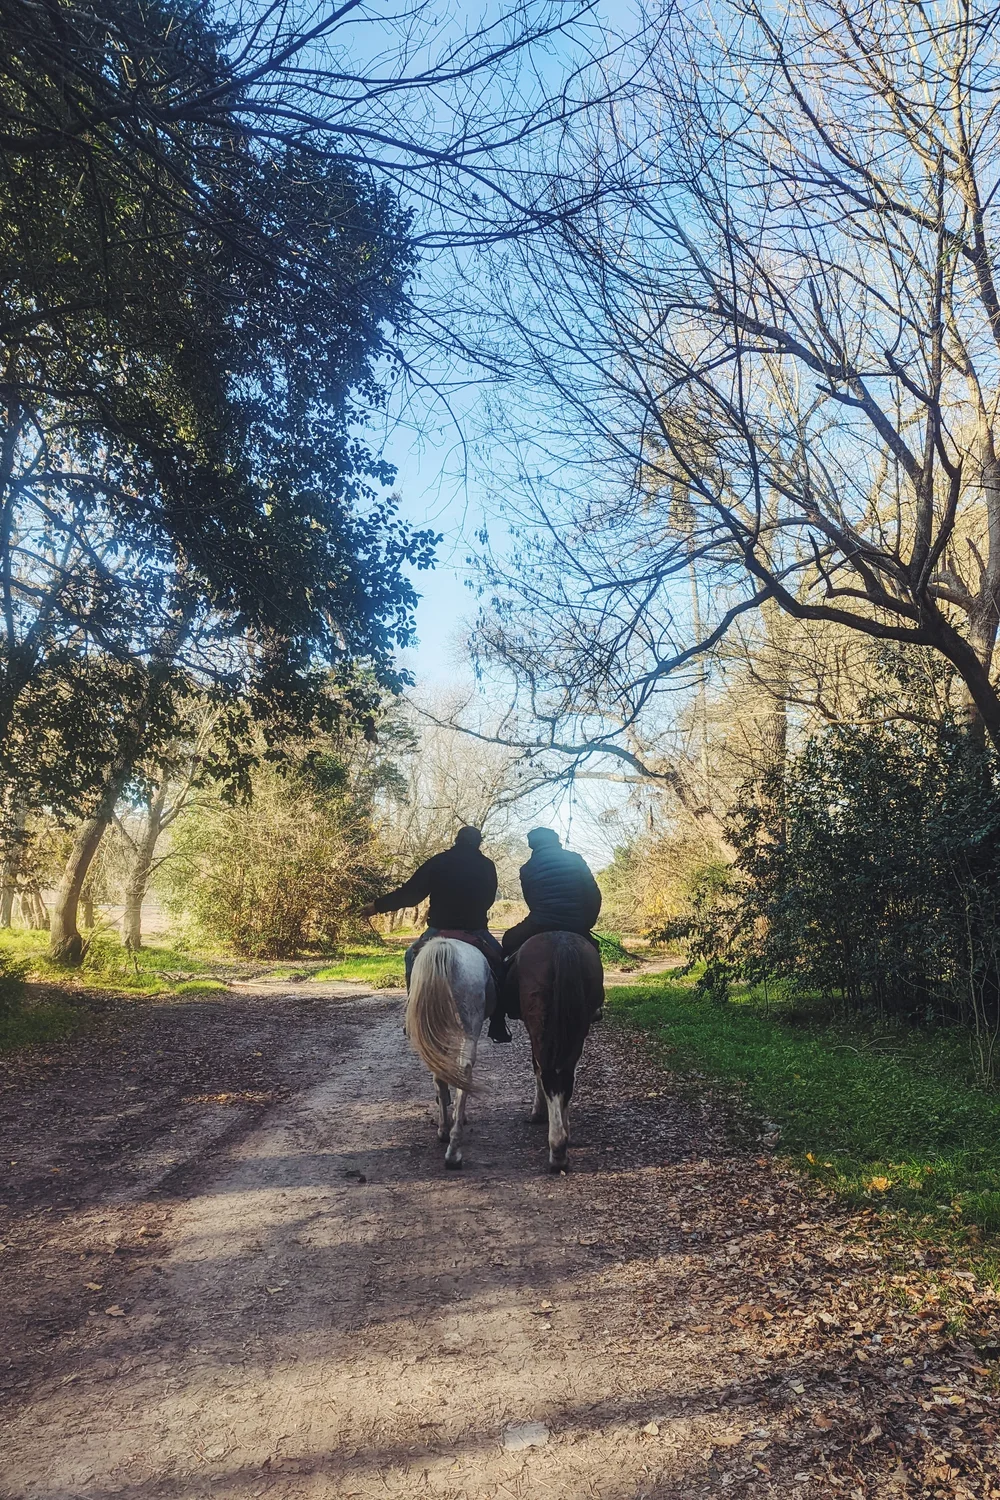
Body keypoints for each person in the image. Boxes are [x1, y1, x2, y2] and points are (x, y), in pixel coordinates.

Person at [489, 827, 602, 1042]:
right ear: (556, 841)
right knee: (592, 950)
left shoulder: (528, 868)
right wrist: (586, 922)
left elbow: (531, 900)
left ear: (533, 845)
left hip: (540, 923)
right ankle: (596, 1003)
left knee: (508, 941)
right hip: (576, 923)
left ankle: (500, 1014)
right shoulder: (576, 859)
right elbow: (594, 894)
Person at [359, 826, 504, 990]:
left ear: (457, 840)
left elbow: (411, 894)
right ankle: (501, 1006)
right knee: (501, 961)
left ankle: (413, 1000)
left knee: (411, 957)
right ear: (479, 843)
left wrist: (377, 906)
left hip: (439, 929)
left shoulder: (438, 861)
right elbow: (488, 900)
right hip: (475, 929)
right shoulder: (487, 865)